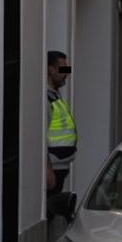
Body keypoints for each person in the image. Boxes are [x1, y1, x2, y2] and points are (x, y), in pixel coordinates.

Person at [46, 51, 77, 198]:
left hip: (61, 167)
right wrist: (47, 169)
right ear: (51, 70)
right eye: (63, 69)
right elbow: (39, 138)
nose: (67, 73)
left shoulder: (55, 96)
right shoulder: (47, 98)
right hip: (53, 168)